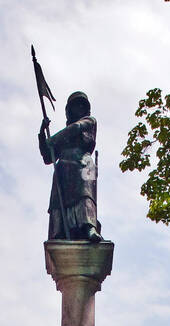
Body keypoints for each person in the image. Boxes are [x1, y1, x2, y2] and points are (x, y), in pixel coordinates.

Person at [38, 91, 103, 242]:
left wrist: (52, 140)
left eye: (82, 105)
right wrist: (42, 134)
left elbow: (75, 128)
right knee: (58, 198)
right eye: (76, 105)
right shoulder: (63, 139)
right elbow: (48, 157)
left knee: (85, 193)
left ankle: (89, 227)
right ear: (69, 110)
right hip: (64, 166)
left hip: (84, 162)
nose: (79, 108)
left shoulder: (90, 121)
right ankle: (60, 229)